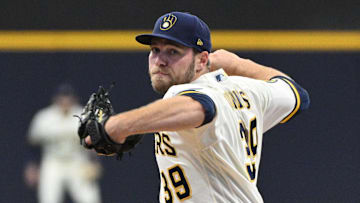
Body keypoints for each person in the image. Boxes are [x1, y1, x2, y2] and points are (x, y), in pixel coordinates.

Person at [85, 11, 310, 202]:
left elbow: (202, 108)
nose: (160, 61)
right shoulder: (247, 90)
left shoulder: (185, 93)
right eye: (155, 50)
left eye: (173, 51)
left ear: (202, 60)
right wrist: (238, 64)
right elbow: (297, 95)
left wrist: (119, 126)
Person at [24, 84, 102, 203]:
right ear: (55, 99)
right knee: (48, 199)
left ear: (74, 99)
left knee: (90, 199)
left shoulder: (83, 115)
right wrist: (32, 167)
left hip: (77, 161)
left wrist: (94, 162)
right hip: (52, 162)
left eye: (68, 97)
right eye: (62, 97)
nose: (65, 101)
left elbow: (93, 141)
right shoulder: (44, 117)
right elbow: (33, 144)